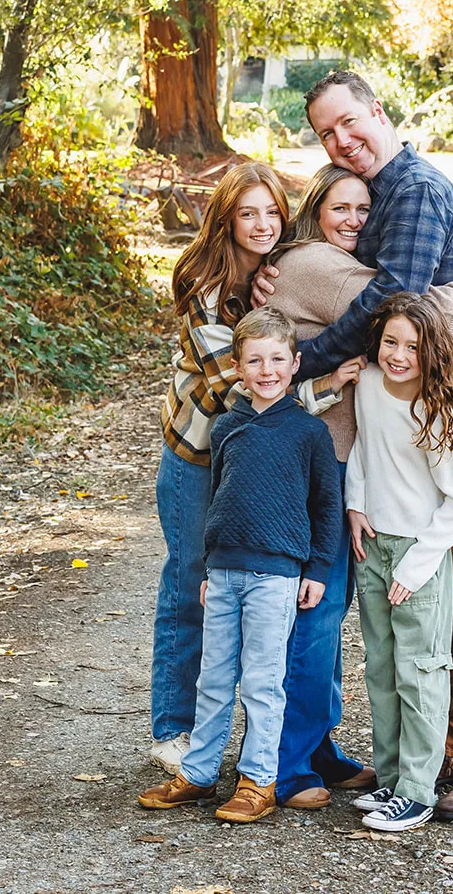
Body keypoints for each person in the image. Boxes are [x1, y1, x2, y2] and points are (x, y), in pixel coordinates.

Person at [257, 70, 453, 819]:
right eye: (326, 135)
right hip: (428, 424)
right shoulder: (380, 193)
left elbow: (388, 303)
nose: (343, 140)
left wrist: (301, 357)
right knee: (433, 605)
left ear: (379, 110)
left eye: (350, 122)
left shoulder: (411, 189)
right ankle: (442, 750)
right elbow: (353, 284)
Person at [138, 307, 342, 821]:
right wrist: (207, 568)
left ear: (295, 365)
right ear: (238, 366)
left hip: (276, 576)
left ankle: (258, 780)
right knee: (213, 676)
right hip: (225, 572)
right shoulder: (227, 426)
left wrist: (316, 570)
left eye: (277, 359)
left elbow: (326, 506)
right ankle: (200, 774)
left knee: (262, 680)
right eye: (255, 361)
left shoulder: (308, 433)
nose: (267, 370)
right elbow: (218, 501)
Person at [149, 163, 289, 774]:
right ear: (227, 220)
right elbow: (241, 384)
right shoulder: (204, 287)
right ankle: (173, 730)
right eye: (247, 214)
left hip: (247, 463)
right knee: (190, 585)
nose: (262, 225)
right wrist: (321, 392)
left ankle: (233, 738)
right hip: (197, 457)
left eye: (271, 213)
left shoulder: (275, 275)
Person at [345, 293, 453, 833]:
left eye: (413, 347)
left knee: (419, 671)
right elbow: (363, 450)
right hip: (370, 543)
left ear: (432, 353)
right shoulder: (370, 384)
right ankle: (391, 777)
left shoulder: (438, 410)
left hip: (417, 554)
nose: (399, 355)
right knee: (380, 666)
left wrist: (417, 565)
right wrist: (355, 503)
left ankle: (418, 791)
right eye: (391, 342)